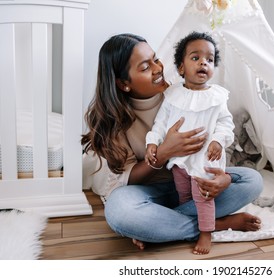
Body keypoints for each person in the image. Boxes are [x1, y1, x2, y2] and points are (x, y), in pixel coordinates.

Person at [81, 33, 263, 253]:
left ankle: (162, 228)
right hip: (151, 192)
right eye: (145, 67)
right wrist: (165, 151)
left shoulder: (183, 93)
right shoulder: (116, 121)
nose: (158, 68)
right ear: (123, 83)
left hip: (196, 179)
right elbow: (127, 179)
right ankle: (214, 224)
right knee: (120, 212)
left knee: (252, 180)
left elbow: (217, 135)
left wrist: (222, 179)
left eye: (155, 59)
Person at [145, 31, 234, 254]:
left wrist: (218, 141)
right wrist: (152, 143)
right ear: (181, 68)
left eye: (209, 59)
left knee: (203, 197)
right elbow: (160, 123)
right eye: (195, 58)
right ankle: (190, 223)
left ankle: (206, 233)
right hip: (179, 162)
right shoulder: (173, 95)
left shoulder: (217, 98)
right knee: (184, 195)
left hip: (204, 160)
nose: (203, 62)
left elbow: (226, 124)